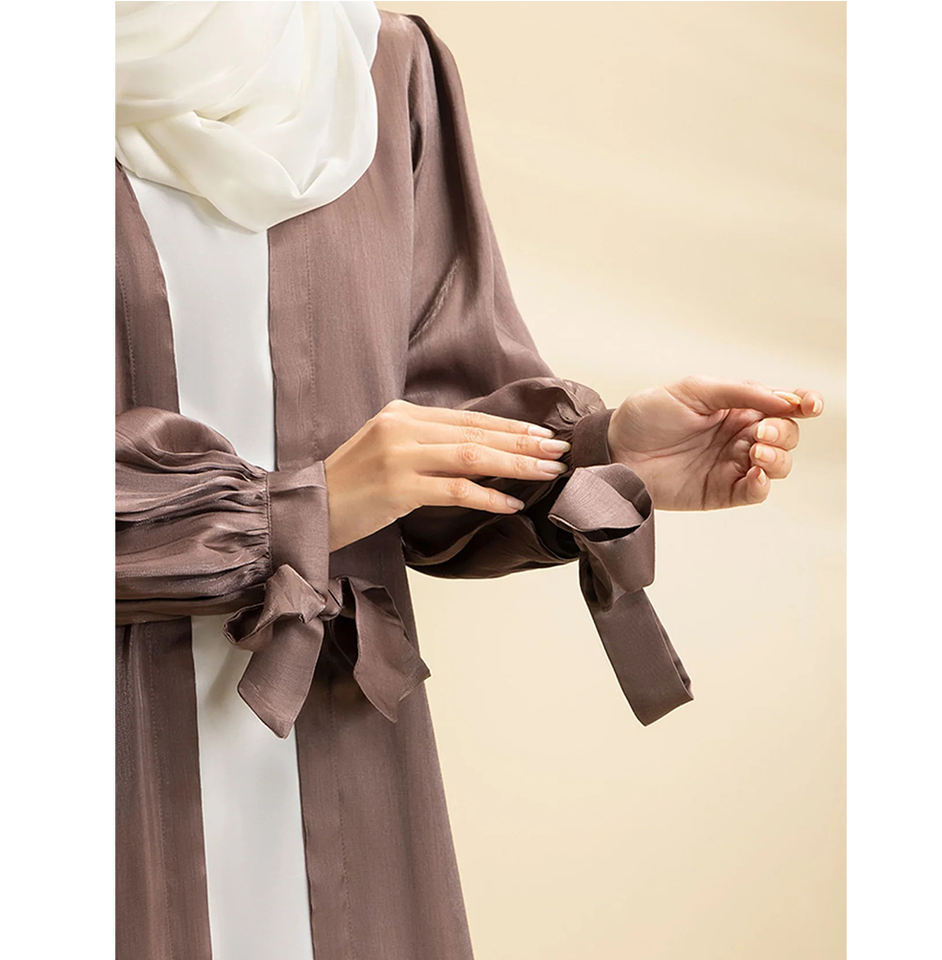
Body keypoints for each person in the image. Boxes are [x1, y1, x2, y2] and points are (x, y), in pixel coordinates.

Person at [115, 4, 823, 959]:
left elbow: (431, 406)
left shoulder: (378, 65)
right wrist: (303, 510)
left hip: (339, 743)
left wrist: (596, 453)